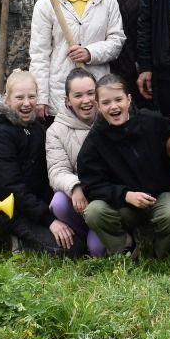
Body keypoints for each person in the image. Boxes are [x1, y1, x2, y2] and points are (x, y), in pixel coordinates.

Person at [77, 74, 170, 259]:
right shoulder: (94, 143)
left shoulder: (150, 120)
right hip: (124, 206)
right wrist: (125, 195)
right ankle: (126, 248)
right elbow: (93, 186)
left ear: (129, 100)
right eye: (106, 103)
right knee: (94, 212)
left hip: (159, 197)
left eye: (118, 100)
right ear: (98, 106)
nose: (113, 106)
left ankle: (160, 253)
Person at [0, 70, 78, 256]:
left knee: (78, 238)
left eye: (31, 96)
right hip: (11, 209)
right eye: (19, 97)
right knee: (70, 249)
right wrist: (49, 220)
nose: (26, 103)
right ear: (7, 99)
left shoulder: (37, 129)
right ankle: (18, 239)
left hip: (37, 205)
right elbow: (10, 186)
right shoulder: (0, 134)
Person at [28, 0, 125, 120]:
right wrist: (41, 97)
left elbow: (117, 40)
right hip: (60, 91)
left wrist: (89, 52)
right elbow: (39, 54)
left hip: (98, 88)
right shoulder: (46, 4)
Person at [44, 68, 106, 257]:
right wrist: (75, 186)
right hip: (78, 200)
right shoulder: (55, 131)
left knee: (97, 250)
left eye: (90, 93)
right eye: (78, 95)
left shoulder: (110, 118)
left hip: (105, 197)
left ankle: (100, 235)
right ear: (67, 100)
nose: (86, 100)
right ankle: (82, 234)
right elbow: (57, 170)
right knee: (59, 202)